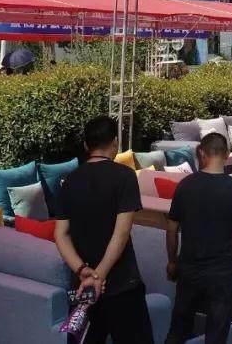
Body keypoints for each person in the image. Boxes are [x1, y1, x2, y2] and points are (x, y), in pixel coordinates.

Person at [54, 116, 153, 344]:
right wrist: (99, 275)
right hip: (122, 284)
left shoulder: (69, 181)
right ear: (115, 142)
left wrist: (82, 271)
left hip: (84, 288)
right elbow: (121, 232)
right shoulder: (125, 176)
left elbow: (60, 234)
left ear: (86, 145)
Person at [165, 132, 232, 344]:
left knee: (179, 327)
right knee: (217, 332)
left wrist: (172, 261)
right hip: (221, 272)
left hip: (188, 268)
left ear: (201, 153)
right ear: (227, 155)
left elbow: (171, 229)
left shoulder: (185, 185)